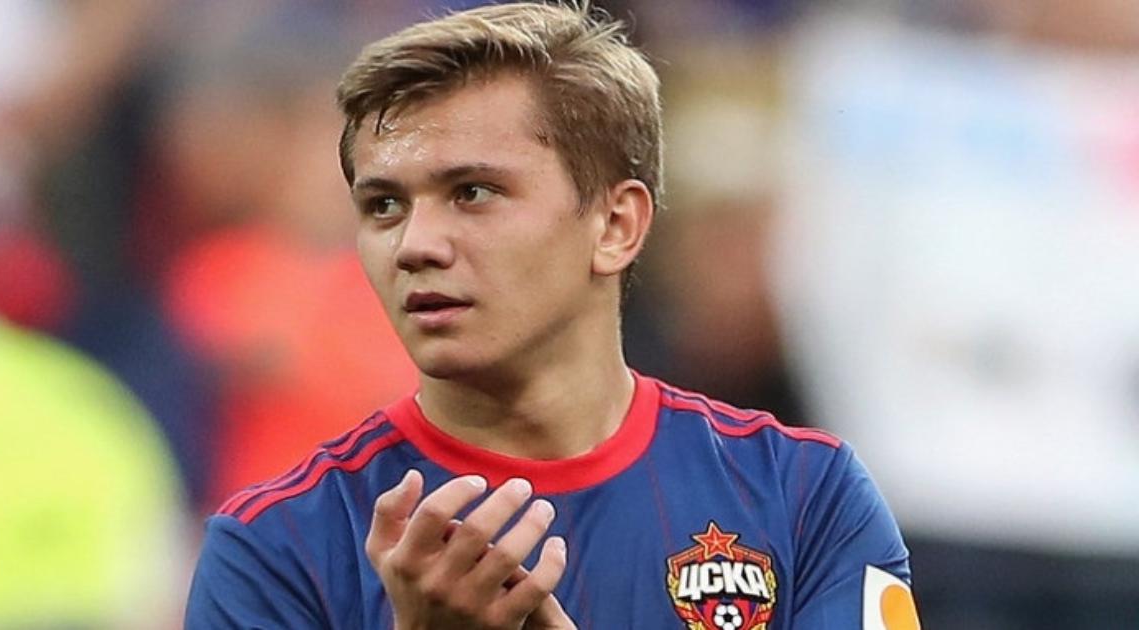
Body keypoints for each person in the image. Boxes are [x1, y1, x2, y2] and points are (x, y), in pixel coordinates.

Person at [184, 3, 919, 629]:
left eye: (473, 192)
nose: (415, 244)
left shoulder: (805, 498)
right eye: (384, 205)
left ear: (616, 226)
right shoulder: (273, 551)